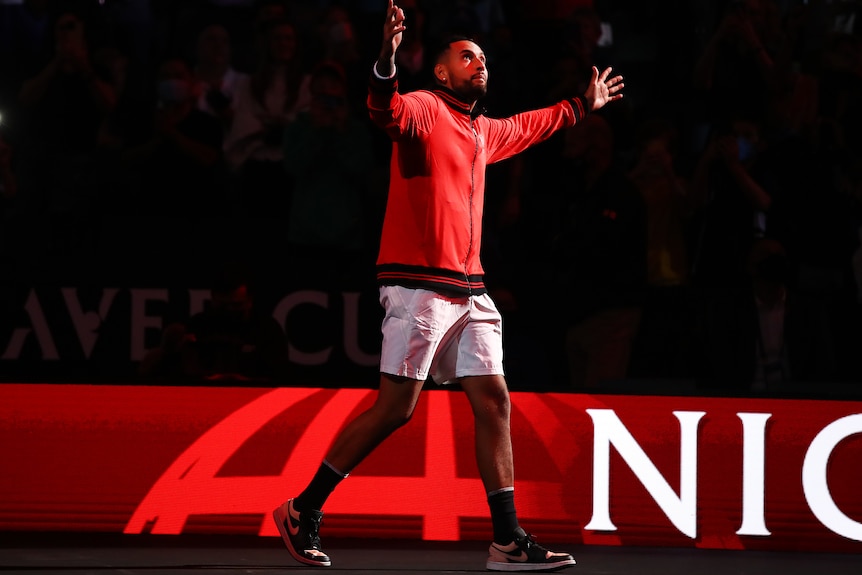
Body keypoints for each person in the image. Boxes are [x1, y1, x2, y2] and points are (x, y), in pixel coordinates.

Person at [271, 2, 624, 571]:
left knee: (493, 399)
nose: (480, 63)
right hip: (418, 286)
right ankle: (301, 509)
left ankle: (507, 541)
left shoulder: (483, 131)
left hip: (470, 288)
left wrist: (583, 104)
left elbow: (531, 126)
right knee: (396, 409)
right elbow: (382, 107)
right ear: (441, 72)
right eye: (467, 57)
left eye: (484, 58)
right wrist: (386, 55)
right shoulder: (424, 109)